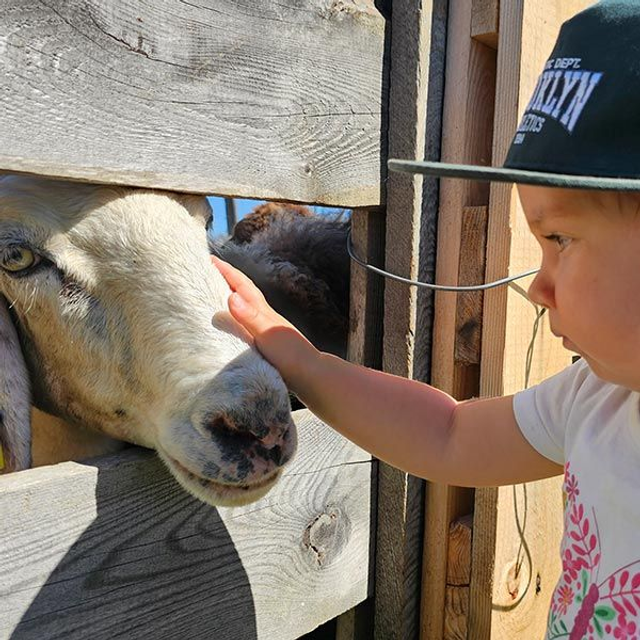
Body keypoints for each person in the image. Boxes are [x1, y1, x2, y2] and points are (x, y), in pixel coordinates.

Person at [213, 2, 640, 637]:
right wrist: (300, 359)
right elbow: (448, 432)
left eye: (560, 239)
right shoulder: (593, 401)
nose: (537, 288)